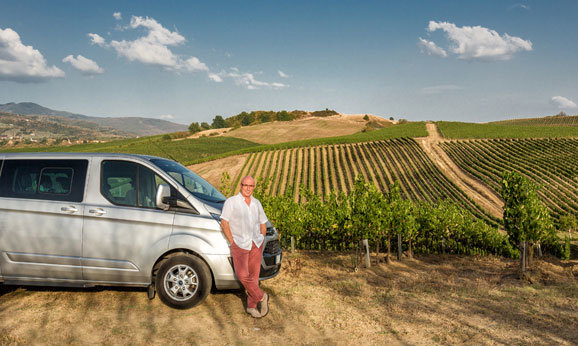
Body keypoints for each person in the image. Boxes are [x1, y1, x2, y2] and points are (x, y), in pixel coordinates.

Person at [220, 176, 270, 318]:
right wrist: (232, 242)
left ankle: (251, 307)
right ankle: (262, 296)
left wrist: (261, 237)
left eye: (251, 185)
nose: (248, 188)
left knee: (254, 276)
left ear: (254, 187)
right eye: (245, 185)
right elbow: (224, 222)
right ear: (240, 185)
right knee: (242, 274)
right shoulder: (232, 202)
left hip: (256, 243)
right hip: (239, 243)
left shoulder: (256, 203)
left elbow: (263, 222)